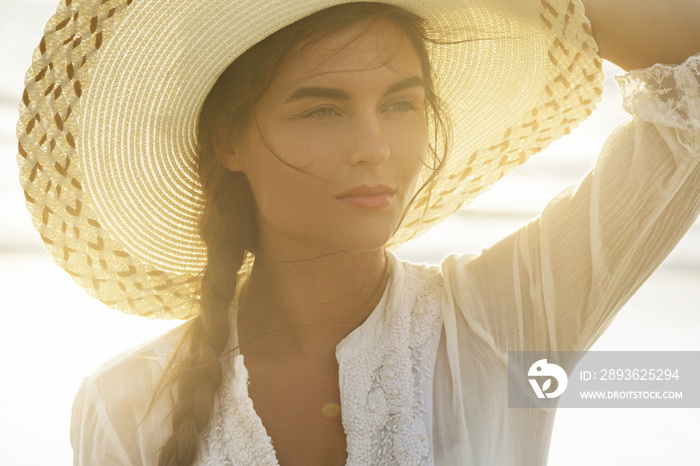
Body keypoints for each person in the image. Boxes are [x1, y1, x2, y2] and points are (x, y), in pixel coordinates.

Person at [15, 0, 699, 465]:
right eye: (323, 111)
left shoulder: (503, 316)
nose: (375, 147)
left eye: (401, 103)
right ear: (228, 138)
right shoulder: (124, 404)